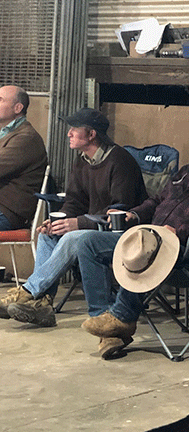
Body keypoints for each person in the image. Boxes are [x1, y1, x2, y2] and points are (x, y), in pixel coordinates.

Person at [61, 118, 189, 359]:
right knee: (88, 242)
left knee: (149, 252)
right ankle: (107, 322)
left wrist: (180, 232)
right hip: (155, 239)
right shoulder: (186, 173)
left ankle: (121, 316)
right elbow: (156, 202)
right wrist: (133, 213)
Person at [0, 107, 148, 327]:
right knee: (48, 235)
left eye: (74, 129)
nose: (68, 133)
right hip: (91, 227)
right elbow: (74, 201)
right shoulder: (82, 161)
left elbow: (120, 209)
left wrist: (79, 223)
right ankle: (43, 304)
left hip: (120, 230)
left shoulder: (120, 161)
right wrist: (60, 220)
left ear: (91, 135)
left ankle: (29, 291)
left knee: (72, 237)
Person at [0, 85, 47, 231]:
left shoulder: (26, 138)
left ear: (17, 108)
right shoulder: (6, 134)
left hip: (7, 212)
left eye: (0, 100)